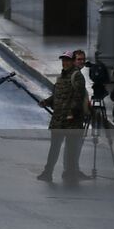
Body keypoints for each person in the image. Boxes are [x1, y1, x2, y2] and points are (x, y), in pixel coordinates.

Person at [38, 53, 88, 182]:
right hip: (58, 120)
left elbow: (78, 97)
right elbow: (56, 96)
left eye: (67, 60)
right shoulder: (60, 78)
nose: (64, 63)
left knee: (71, 150)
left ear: (72, 62)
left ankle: (70, 174)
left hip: (72, 121)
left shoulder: (77, 77)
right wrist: (46, 102)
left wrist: (71, 112)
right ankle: (47, 172)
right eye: (63, 61)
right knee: (54, 148)